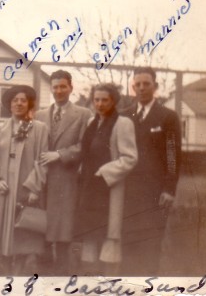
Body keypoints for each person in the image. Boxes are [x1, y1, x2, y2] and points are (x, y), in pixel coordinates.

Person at [121, 67, 182, 275]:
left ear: (155, 87)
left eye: (146, 84)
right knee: (127, 245)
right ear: (132, 88)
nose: (141, 88)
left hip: (155, 193)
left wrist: (169, 189)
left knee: (150, 246)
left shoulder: (168, 117)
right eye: (137, 84)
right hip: (127, 191)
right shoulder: (124, 116)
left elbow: (173, 155)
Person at [0, 85, 49, 275]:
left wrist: (35, 188)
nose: (19, 103)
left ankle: (18, 275)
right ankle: (5, 275)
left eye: (23, 100)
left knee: (21, 235)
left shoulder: (39, 129)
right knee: (3, 235)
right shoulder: (0, 130)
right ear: (9, 105)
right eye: (15, 100)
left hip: (25, 187)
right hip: (4, 188)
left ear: (29, 104)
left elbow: (43, 160)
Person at [75, 83, 137, 275]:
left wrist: (104, 172)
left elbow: (130, 158)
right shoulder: (92, 122)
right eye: (96, 100)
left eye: (105, 100)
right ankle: (91, 281)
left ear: (114, 101)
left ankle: (110, 282)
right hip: (89, 186)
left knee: (109, 237)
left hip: (108, 188)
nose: (100, 104)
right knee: (91, 235)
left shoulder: (122, 123)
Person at [35, 69, 92, 274]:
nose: (59, 91)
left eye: (63, 86)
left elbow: (85, 146)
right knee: (42, 230)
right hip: (42, 181)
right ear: (50, 89)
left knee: (62, 232)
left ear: (70, 88)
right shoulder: (40, 115)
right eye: (55, 87)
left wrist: (60, 154)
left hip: (66, 180)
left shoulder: (83, 114)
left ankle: (61, 277)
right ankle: (43, 276)